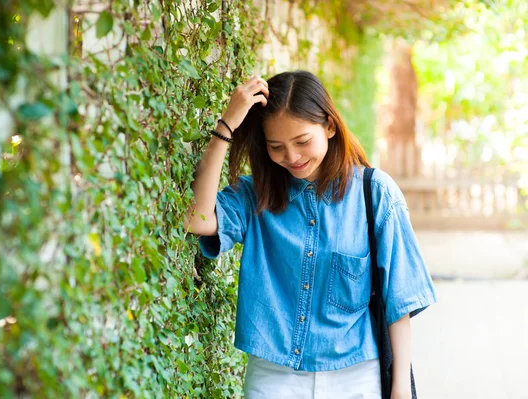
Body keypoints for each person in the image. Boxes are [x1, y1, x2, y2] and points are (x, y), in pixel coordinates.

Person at [184, 71, 437, 399]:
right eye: (277, 147)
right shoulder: (256, 195)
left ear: (330, 126)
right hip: (274, 375)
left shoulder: (375, 195)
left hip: (357, 374)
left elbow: (398, 300)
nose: (292, 157)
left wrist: (400, 386)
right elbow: (198, 218)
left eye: (302, 141)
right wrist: (228, 124)